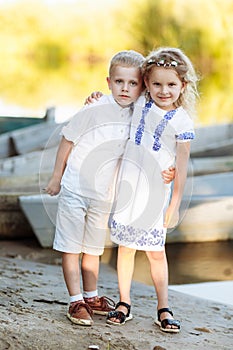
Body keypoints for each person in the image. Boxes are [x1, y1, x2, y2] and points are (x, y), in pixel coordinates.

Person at [45, 50, 175, 327]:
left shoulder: (139, 112)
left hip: (104, 195)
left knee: (93, 250)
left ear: (142, 86)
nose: (125, 89)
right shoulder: (94, 108)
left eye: (132, 83)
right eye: (119, 82)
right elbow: (67, 140)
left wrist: (167, 168)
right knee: (71, 248)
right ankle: (75, 300)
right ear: (108, 82)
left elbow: (151, 144)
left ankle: (91, 297)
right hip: (75, 189)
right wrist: (56, 177)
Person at [105, 47, 199, 333]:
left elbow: (181, 167)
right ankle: (124, 302)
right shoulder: (141, 101)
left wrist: (175, 204)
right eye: (157, 83)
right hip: (129, 188)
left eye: (171, 84)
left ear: (183, 85)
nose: (164, 90)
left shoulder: (182, 122)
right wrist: (96, 97)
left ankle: (163, 308)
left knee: (156, 251)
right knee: (126, 247)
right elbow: (118, 96)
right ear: (147, 83)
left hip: (157, 193)